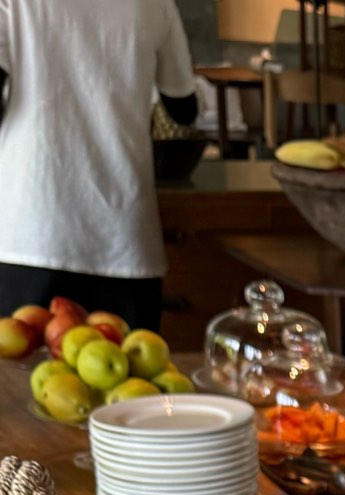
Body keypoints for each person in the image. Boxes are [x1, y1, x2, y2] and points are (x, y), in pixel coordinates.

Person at [0, 0, 197, 335]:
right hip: (123, 237)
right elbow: (183, 108)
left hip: (31, 230)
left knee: (24, 367)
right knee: (129, 366)